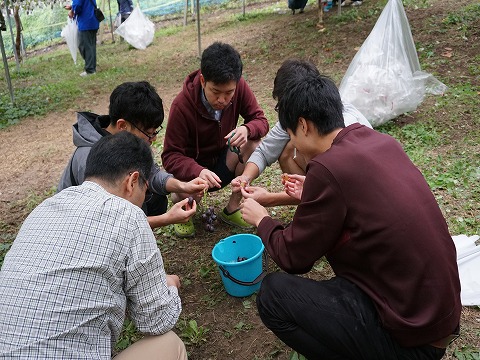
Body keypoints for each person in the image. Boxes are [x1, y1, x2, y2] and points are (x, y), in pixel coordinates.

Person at [239, 73, 461, 359]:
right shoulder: (378, 141)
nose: (292, 144)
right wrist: (314, 193)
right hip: (437, 318)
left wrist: (262, 219)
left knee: (273, 295)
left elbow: (293, 257)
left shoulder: (327, 168)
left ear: (303, 126)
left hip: (413, 342)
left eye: (291, 135)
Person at [0, 132, 187, 359]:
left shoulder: (44, 208)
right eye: (145, 192)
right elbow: (156, 321)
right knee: (170, 344)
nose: (142, 199)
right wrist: (170, 286)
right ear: (132, 181)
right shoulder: (128, 215)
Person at [58, 81, 207, 229]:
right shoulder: (90, 158)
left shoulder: (127, 140)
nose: (153, 139)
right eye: (148, 133)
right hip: (78, 225)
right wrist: (166, 219)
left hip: (107, 216)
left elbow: (151, 174)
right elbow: (109, 222)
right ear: (123, 125)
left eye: (155, 132)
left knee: (155, 199)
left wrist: (183, 186)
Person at [161, 42, 269, 237]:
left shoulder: (239, 86)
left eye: (229, 93)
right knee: (184, 190)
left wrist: (247, 128)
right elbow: (170, 155)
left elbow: (261, 120)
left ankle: (232, 208)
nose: (222, 100)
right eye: (215, 92)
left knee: (254, 144)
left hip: (223, 163)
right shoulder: (182, 105)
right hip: (194, 173)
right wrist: (198, 171)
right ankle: (183, 208)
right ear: (203, 81)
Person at [232, 59, 372, 207]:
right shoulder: (296, 116)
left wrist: (270, 200)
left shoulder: (345, 131)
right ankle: (311, 204)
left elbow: (336, 191)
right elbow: (265, 151)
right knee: (286, 148)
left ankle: (314, 204)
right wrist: (245, 177)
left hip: (356, 197)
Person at [65, 0, 99, 76]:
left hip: (85, 22)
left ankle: (90, 70)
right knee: (91, 46)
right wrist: (72, 7)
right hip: (93, 21)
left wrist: (72, 11)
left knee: (84, 46)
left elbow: (77, 6)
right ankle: (92, 67)